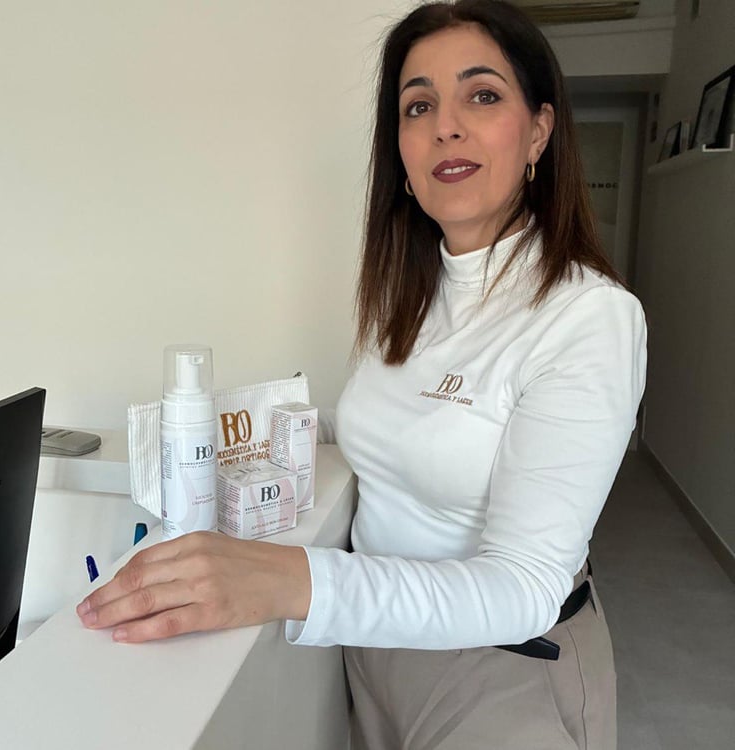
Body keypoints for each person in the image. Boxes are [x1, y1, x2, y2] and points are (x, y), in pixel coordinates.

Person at [76, 2, 646, 748]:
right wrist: (235, 438)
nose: (446, 126)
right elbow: (393, 430)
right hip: (374, 650)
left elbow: (524, 586)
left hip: (504, 672)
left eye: (481, 95)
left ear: (538, 130)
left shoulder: (589, 317)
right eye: (419, 106)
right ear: (399, 149)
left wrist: (285, 577)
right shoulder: (407, 299)